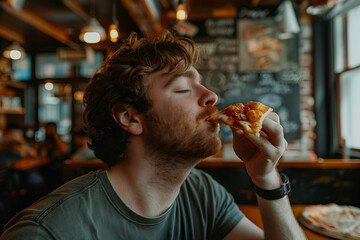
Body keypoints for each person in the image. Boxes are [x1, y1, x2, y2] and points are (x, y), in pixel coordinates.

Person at [0, 31, 306, 239]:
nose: (212, 96)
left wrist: (265, 177)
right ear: (131, 118)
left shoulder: (200, 192)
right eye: (184, 89)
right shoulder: (47, 232)